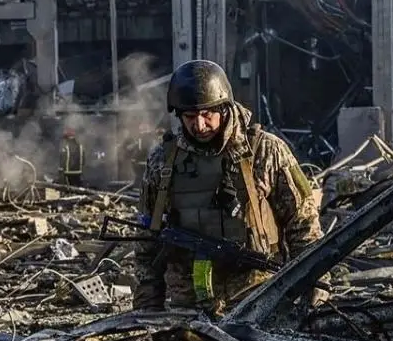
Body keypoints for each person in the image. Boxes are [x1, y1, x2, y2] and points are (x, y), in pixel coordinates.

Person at [133, 59, 324, 315]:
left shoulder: (265, 151)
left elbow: (303, 225)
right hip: (188, 305)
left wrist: (316, 286)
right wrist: (148, 304)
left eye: (206, 114)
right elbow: (148, 239)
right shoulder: (163, 162)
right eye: (190, 116)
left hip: (258, 299)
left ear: (224, 108)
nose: (199, 125)